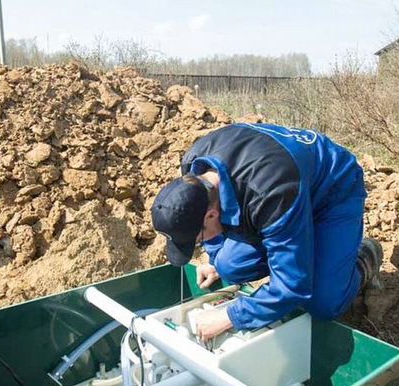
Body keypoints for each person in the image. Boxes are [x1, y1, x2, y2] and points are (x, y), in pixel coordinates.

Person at [151, 123, 382, 341]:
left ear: (211, 215)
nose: (200, 244)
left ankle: (366, 256)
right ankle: (304, 248)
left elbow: (293, 287)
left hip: (332, 191)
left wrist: (229, 316)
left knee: (322, 302)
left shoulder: (269, 194)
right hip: (287, 192)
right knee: (227, 264)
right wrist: (215, 258)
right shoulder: (195, 170)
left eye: (198, 240)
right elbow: (221, 211)